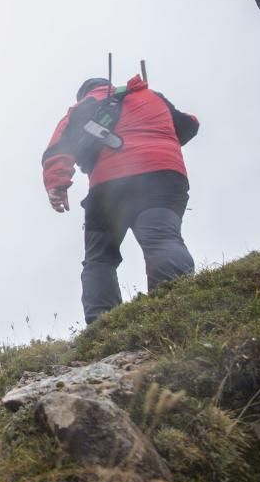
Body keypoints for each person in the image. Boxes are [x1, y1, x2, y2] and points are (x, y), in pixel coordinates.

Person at [41, 75, 200, 324]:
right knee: (162, 238)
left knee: (100, 259)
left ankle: (104, 326)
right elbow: (190, 125)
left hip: (110, 184)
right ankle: (175, 309)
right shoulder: (150, 95)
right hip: (164, 176)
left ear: (84, 93)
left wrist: (57, 186)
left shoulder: (84, 106)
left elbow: (59, 147)